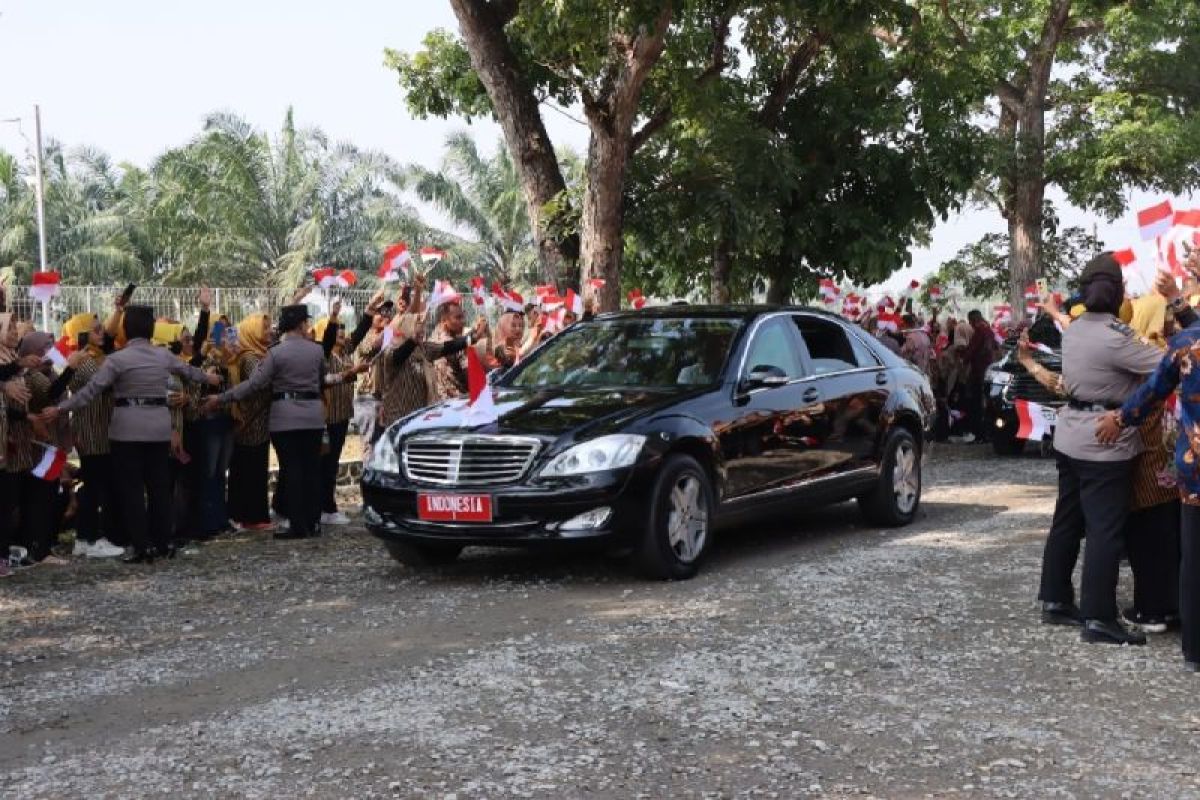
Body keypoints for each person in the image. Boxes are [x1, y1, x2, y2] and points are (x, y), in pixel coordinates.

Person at [40, 305, 220, 563]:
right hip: (158, 426)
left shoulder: (118, 359)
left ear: (126, 329)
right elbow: (190, 372)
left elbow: (90, 391)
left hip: (126, 429)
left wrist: (60, 409)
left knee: (132, 490)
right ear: (151, 330)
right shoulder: (162, 356)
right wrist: (209, 379)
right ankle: (164, 542)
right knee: (159, 488)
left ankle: (141, 545)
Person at [1049, 253, 1165, 645]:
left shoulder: (1076, 329)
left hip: (1069, 436)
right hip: (1104, 442)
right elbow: (1168, 363)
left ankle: (1055, 600)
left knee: (1067, 519)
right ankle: (1098, 617)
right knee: (1104, 532)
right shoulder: (1117, 338)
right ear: (1117, 293)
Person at [1098, 267, 1200, 669]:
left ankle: (1194, 650)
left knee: (1193, 561)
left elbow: (1152, 392)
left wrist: (1118, 420)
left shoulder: (1186, 344)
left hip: (1194, 474)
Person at [204, 304, 336, 540]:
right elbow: (320, 379)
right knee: (311, 470)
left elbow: (254, 384)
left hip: (284, 418)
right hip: (312, 416)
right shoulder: (316, 351)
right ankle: (313, 522)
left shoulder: (275, 353)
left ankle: (297, 524)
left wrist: (222, 398)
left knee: (292, 469)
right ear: (302, 325)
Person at [62, 311, 125, 557]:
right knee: (94, 486)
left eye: (100, 329)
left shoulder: (96, 356)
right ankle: (87, 538)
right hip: (90, 430)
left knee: (98, 484)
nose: (102, 333)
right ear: (82, 334)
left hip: (100, 428)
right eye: (95, 330)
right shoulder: (85, 360)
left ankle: (88, 536)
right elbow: (107, 382)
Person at [313, 301, 371, 526]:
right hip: (329, 417)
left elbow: (358, 335)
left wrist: (369, 312)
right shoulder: (323, 355)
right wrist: (333, 317)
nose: (341, 334)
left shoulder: (344, 352)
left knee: (333, 463)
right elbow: (324, 381)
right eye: (336, 330)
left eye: (342, 330)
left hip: (342, 416)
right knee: (326, 465)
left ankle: (326, 505)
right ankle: (326, 507)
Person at [226, 313, 273, 531]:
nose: (269, 331)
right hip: (251, 425)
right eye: (264, 328)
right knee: (250, 471)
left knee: (252, 470)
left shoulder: (257, 355)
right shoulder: (251, 358)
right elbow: (261, 383)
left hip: (256, 423)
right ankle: (250, 516)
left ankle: (251, 515)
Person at [959, 310, 995, 443]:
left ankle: (980, 434)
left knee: (977, 404)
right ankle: (988, 433)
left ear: (973, 320)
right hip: (989, 371)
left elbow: (972, 350)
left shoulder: (980, 331)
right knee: (987, 403)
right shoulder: (989, 331)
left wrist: (964, 360)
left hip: (979, 372)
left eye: (970, 321)